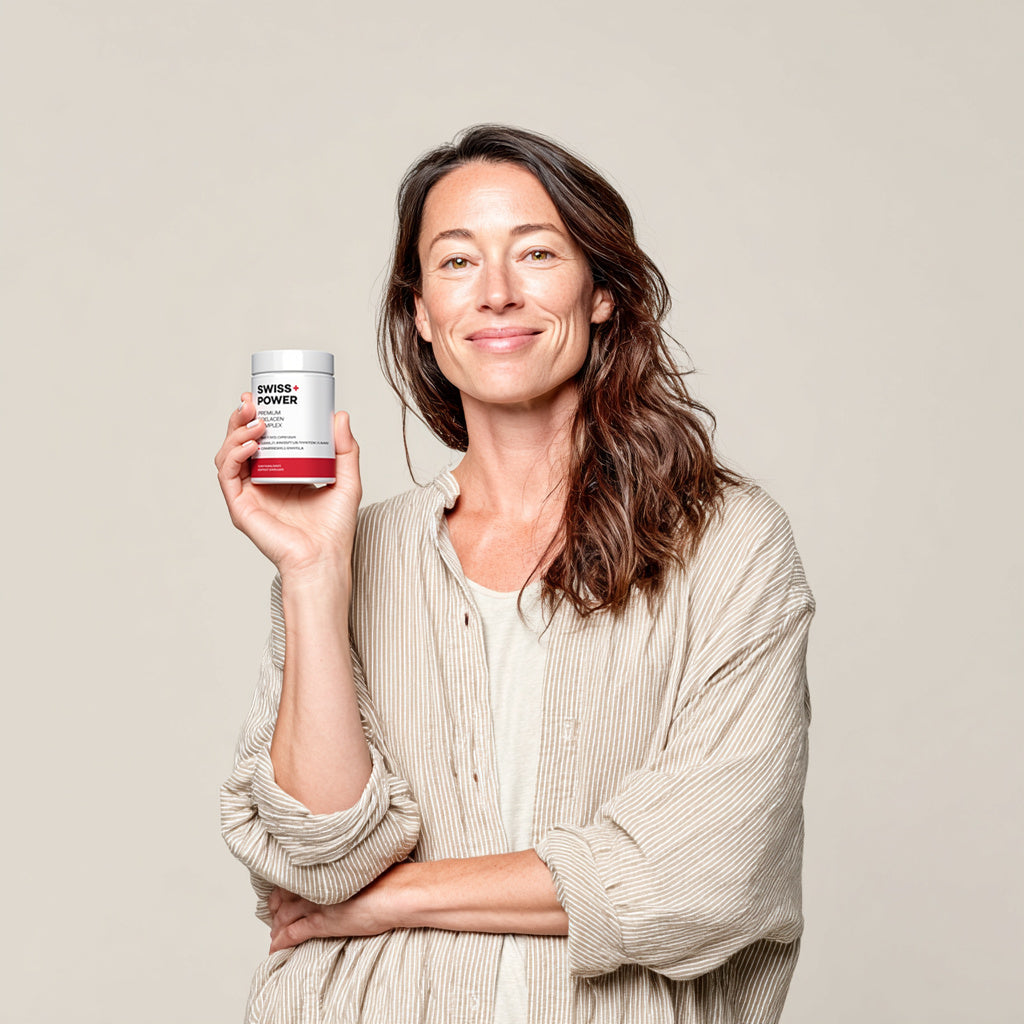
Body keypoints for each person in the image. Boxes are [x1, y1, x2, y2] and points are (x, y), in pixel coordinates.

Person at [216, 124, 814, 1024]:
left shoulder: (727, 544)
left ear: (602, 291)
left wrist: (392, 900)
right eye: (456, 262)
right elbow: (321, 858)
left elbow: (703, 872)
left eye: (536, 253)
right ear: (422, 314)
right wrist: (311, 570)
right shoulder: (363, 555)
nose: (496, 292)